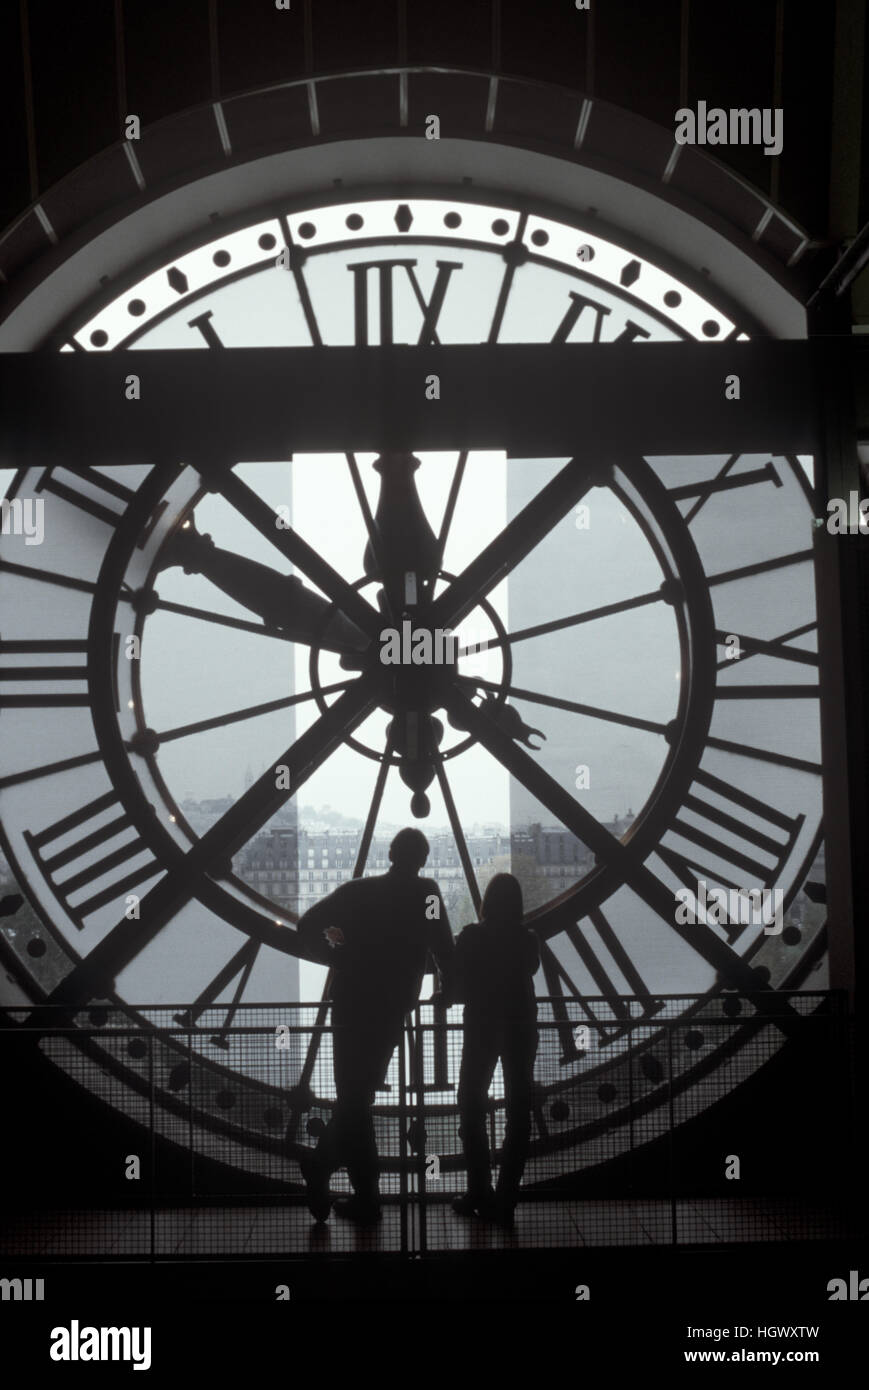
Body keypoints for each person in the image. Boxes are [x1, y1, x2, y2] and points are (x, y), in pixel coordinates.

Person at [295, 827, 453, 1224]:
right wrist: (449, 989)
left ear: (390, 854)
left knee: (354, 1097)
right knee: (358, 1098)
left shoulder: (357, 892)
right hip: (392, 1006)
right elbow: (444, 948)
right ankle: (348, 1185)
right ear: (423, 859)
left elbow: (309, 925)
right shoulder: (427, 894)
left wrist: (338, 956)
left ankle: (351, 1185)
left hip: (351, 1001)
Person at [449, 873, 540, 1225]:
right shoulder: (527, 940)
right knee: (519, 1112)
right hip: (520, 1027)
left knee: (471, 1105)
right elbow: (528, 969)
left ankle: (479, 1189)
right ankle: (506, 1196)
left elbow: (458, 976)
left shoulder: (472, 936)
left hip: (481, 1027)